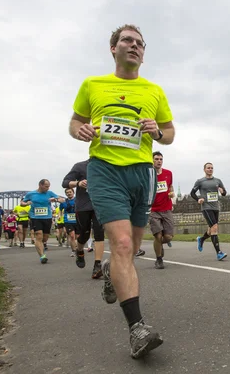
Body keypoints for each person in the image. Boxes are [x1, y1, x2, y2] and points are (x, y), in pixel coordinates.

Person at [68, 24, 174, 358]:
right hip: (105, 169)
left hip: (142, 173)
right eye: (128, 40)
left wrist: (158, 131)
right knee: (123, 243)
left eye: (140, 43)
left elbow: (170, 134)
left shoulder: (154, 90)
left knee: (133, 245)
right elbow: (74, 122)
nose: (135, 46)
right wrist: (80, 129)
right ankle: (137, 329)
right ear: (113, 48)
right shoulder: (92, 84)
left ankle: (116, 274)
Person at [62, 159, 106, 279]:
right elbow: (65, 182)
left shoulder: (108, 165)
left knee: (99, 234)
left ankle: (97, 265)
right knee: (84, 234)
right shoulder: (80, 166)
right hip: (83, 207)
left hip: (100, 205)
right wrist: (78, 183)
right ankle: (80, 251)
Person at [190, 163, 228, 260]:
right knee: (215, 228)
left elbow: (224, 193)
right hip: (206, 207)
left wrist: (222, 191)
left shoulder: (218, 181)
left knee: (211, 230)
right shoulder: (200, 181)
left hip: (216, 207)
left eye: (211, 168)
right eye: (208, 168)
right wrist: (198, 199)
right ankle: (219, 253)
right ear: (204, 169)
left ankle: (201, 239)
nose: (210, 169)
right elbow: (192, 193)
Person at [22, 179, 64, 264]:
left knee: (45, 237)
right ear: (40, 185)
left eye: (48, 186)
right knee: (38, 235)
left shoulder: (50, 193)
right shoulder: (31, 194)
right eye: (46, 186)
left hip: (47, 217)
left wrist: (55, 200)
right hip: (35, 217)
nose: (48, 188)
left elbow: (61, 199)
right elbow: (22, 203)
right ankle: (42, 256)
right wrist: (27, 203)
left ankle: (43, 245)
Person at [149, 151, 175, 269]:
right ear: (152, 160)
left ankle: (159, 245)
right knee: (158, 235)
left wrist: (172, 193)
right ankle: (159, 259)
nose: (159, 161)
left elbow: (170, 186)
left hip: (166, 208)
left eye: (161, 159)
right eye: (156, 159)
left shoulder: (168, 173)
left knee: (168, 237)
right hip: (153, 209)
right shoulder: (148, 174)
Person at [59, 188, 79, 257]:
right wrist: (59, 216)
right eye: (67, 192)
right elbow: (60, 209)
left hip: (77, 221)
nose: (69, 193)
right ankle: (73, 251)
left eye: (70, 192)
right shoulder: (64, 202)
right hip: (68, 221)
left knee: (77, 237)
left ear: (73, 192)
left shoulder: (78, 200)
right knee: (72, 236)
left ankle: (78, 249)